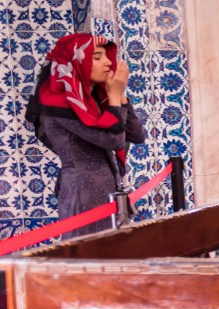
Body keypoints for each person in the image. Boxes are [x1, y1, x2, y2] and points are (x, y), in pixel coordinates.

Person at [24, 33, 146, 237]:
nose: (108, 62)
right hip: (82, 196)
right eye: (97, 57)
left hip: (106, 193)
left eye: (107, 56)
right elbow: (114, 141)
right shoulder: (58, 105)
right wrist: (114, 95)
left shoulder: (93, 102)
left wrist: (119, 95)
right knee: (87, 260)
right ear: (76, 63)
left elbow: (136, 134)